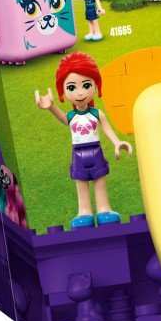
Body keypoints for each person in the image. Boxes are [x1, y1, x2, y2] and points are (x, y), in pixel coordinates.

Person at [32, 51, 132, 228]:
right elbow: (63, 118)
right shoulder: (71, 116)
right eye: (71, 88)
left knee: (100, 180)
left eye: (86, 85)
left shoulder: (97, 113)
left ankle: (104, 209)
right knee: (81, 182)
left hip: (96, 151)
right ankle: (84, 211)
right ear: (63, 91)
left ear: (96, 85)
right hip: (78, 154)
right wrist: (51, 106)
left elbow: (107, 129)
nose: (80, 93)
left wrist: (117, 142)